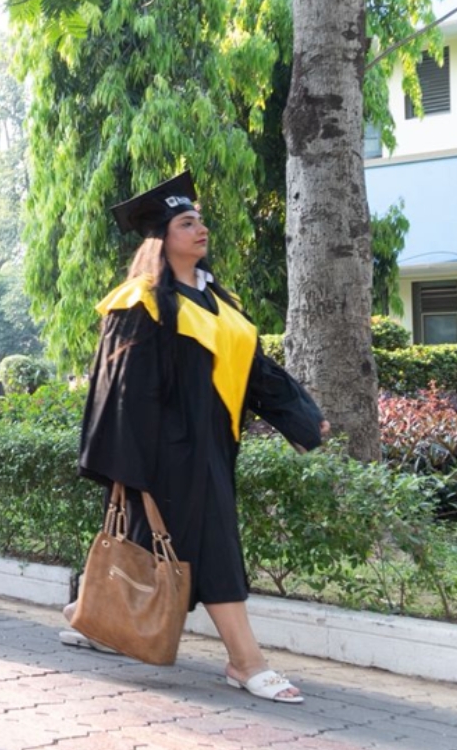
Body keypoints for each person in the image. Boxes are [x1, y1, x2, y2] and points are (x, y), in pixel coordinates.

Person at [68, 171, 328, 704]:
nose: (200, 229)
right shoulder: (139, 302)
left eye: (200, 220)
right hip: (164, 455)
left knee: (156, 551)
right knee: (214, 552)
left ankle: (89, 616)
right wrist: (129, 470)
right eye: (187, 223)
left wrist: (302, 419)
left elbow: (257, 372)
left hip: (211, 446)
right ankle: (245, 661)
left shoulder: (218, 303)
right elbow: (120, 392)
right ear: (162, 239)